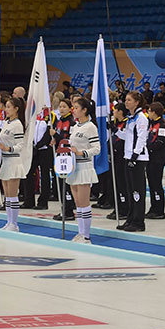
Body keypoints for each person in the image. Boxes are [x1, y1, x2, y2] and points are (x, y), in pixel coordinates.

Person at [64, 97, 102, 243]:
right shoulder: (75, 126)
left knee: (84, 202)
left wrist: (82, 153)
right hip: (73, 167)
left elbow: (97, 149)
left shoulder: (91, 127)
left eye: (76, 108)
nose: (73, 110)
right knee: (77, 203)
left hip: (85, 166)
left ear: (84, 110)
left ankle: (86, 235)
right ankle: (80, 233)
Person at [119, 92, 149, 232]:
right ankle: (130, 218)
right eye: (126, 100)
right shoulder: (130, 118)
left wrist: (135, 155)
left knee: (137, 191)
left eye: (129, 100)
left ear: (137, 102)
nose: (126, 102)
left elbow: (142, 137)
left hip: (137, 158)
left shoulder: (141, 118)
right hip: (128, 156)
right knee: (130, 190)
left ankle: (138, 222)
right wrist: (115, 130)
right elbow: (128, 136)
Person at [0, 96, 27, 231]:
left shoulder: (17, 124)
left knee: (12, 193)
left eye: (9, 107)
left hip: (14, 160)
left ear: (16, 109)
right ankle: (9, 222)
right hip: (5, 160)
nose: (6, 109)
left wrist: (8, 148)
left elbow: (20, 145)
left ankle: (14, 223)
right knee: (6, 194)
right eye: (6, 106)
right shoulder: (6, 123)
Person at [145, 101, 165, 219]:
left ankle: (159, 210)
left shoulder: (162, 125)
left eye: (149, 111)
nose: (148, 113)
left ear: (154, 112)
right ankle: (153, 207)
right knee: (152, 184)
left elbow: (160, 142)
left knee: (156, 184)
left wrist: (147, 147)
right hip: (150, 159)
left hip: (157, 159)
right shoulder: (151, 124)